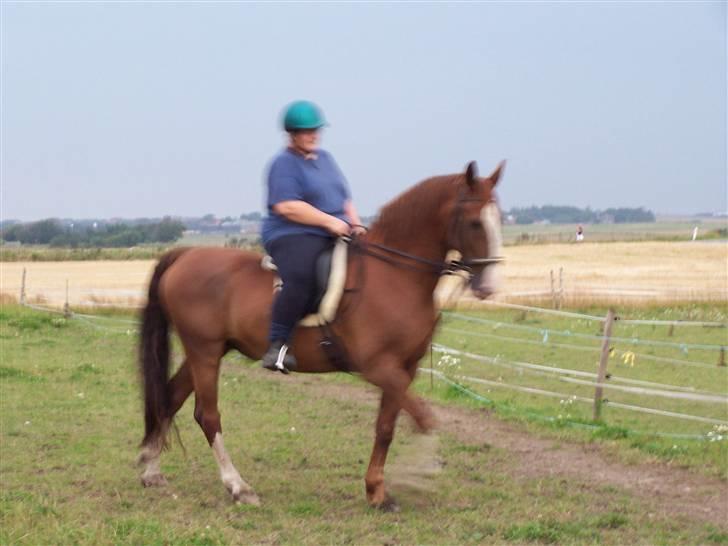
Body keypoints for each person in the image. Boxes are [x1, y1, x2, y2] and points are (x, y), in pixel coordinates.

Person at [260, 100, 363, 373]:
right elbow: (287, 206)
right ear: (292, 134)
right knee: (302, 276)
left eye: (316, 130)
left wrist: (356, 223)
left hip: (333, 230)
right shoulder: (283, 165)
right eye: (307, 131)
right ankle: (278, 344)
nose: (313, 135)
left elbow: (345, 197)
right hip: (293, 232)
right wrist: (330, 222)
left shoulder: (326, 159)